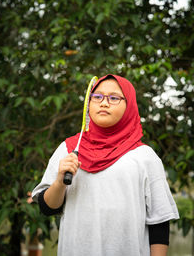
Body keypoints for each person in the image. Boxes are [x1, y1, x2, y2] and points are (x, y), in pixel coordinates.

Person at [32, 74, 179, 256]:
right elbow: (47, 208)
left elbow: (159, 223)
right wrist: (59, 183)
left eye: (114, 98)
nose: (104, 103)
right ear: (89, 103)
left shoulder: (145, 157)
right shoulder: (68, 150)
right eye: (97, 97)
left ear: (129, 105)